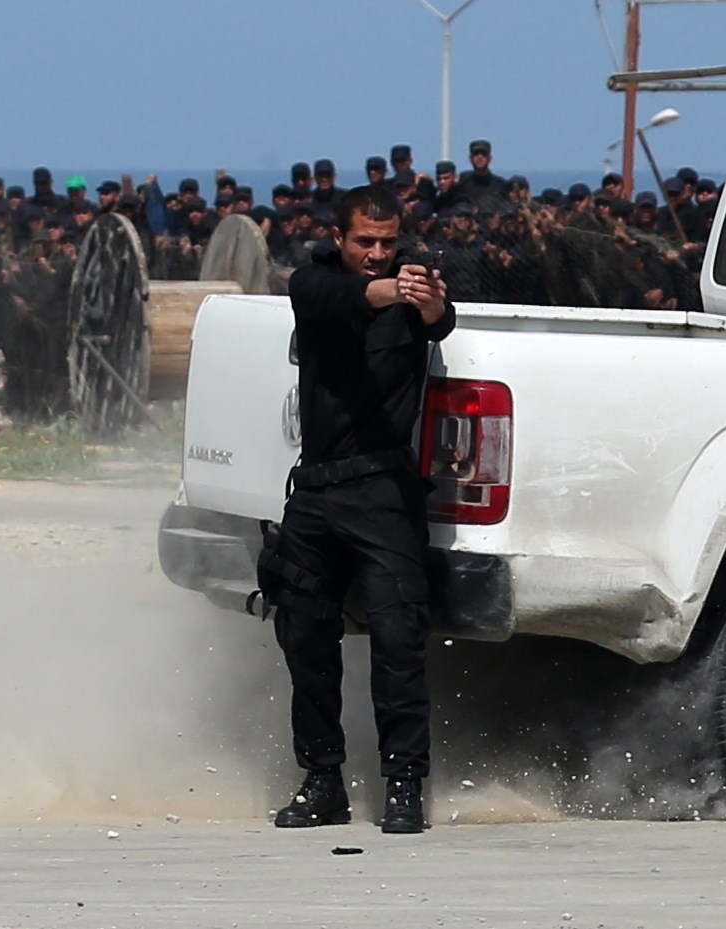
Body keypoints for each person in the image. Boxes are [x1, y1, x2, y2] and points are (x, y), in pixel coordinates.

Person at [265, 183, 453, 835]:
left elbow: (439, 321)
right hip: (315, 494)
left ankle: (404, 785)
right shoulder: (313, 285)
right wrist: (394, 289)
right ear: (339, 238)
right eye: (365, 241)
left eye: (387, 242)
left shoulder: (415, 291)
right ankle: (322, 782)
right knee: (305, 641)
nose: (376, 253)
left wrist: (429, 302)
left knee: (399, 643)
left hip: (383, 493)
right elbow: (353, 297)